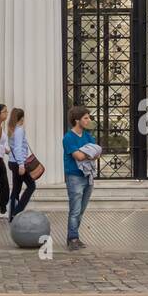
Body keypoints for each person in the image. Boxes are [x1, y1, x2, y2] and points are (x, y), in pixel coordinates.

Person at [63, 106, 101, 250]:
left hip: (88, 176)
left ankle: (75, 236)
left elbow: (98, 153)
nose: (88, 120)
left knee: (82, 209)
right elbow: (77, 156)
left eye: (88, 117)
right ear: (77, 120)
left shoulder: (88, 136)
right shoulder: (68, 138)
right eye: (85, 118)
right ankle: (72, 238)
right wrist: (88, 153)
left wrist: (87, 152)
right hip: (74, 177)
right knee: (75, 209)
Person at [7, 108, 38, 220]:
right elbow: (18, 148)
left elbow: (13, 147)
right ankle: (17, 212)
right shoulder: (19, 130)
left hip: (12, 162)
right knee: (31, 186)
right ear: (22, 118)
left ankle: (12, 216)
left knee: (16, 188)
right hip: (18, 163)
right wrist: (21, 164)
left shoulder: (11, 129)